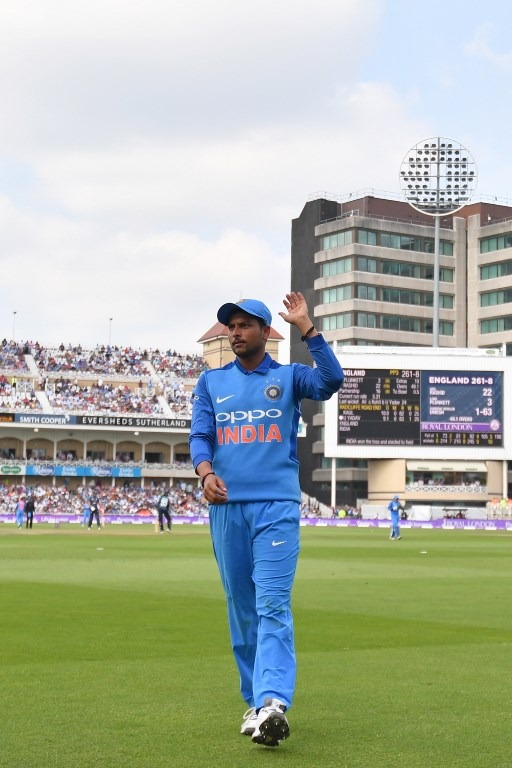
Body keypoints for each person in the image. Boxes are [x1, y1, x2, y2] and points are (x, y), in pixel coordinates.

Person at [189, 291, 344, 747]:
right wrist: (205, 473)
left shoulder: (291, 377)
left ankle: (274, 702)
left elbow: (332, 380)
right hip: (227, 508)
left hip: (276, 508)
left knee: (272, 603)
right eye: (230, 326)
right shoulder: (211, 382)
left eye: (243, 325)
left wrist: (307, 328)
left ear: (263, 332)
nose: (234, 333)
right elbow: (200, 437)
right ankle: (255, 703)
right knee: (241, 608)